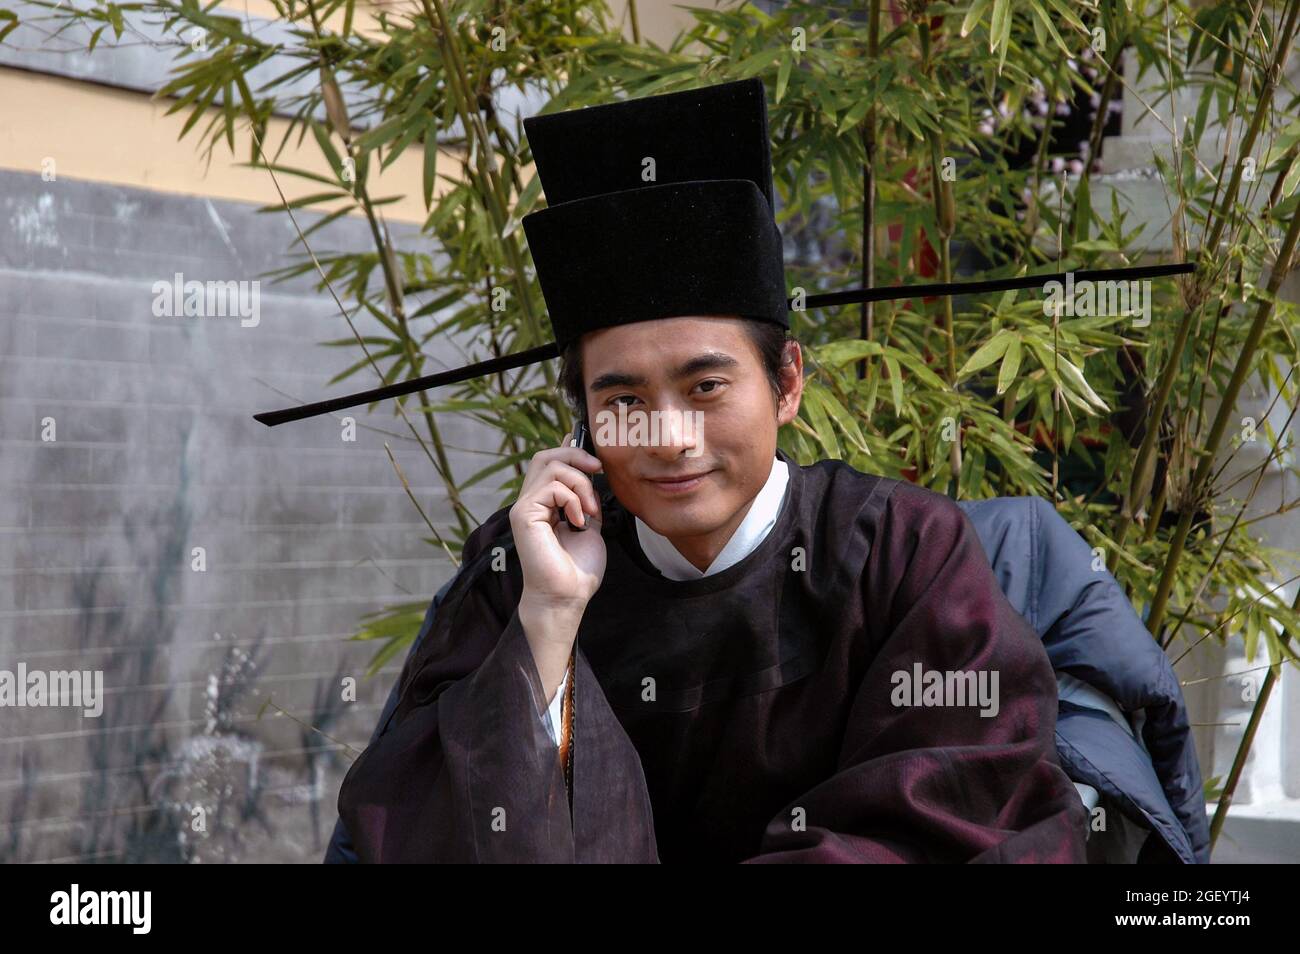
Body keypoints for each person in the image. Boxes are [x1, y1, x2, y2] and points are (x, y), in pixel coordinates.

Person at [327, 77, 1090, 862]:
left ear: (787, 382)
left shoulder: (904, 554)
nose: (670, 436)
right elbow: (422, 829)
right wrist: (549, 622)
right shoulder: (520, 568)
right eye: (623, 397)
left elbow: (948, 816)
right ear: (583, 419)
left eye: (706, 387)